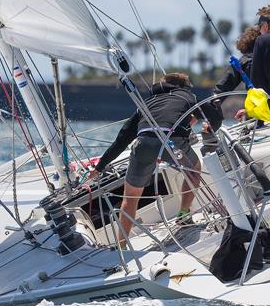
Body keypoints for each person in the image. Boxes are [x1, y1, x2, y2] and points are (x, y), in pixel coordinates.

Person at [88, 72, 222, 245]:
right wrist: (209, 131)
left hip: (143, 144)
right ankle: (183, 215)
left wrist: (99, 168)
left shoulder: (146, 103)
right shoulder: (188, 96)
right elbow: (216, 116)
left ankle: (121, 246)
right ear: (184, 86)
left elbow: (121, 140)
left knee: (130, 197)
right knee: (194, 170)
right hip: (171, 143)